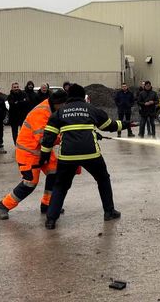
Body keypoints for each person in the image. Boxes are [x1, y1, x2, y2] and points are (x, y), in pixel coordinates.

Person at [40, 84, 132, 229]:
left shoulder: (59, 113)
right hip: (91, 154)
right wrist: (126, 124)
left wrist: (44, 155)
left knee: (60, 186)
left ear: (68, 97)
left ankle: (51, 219)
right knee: (103, 179)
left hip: (67, 156)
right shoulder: (91, 109)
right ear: (83, 96)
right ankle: (109, 212)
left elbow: (48, 137)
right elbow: (110, 126)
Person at [0, 90, 68, 220]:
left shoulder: (53, 110)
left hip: (43, 150)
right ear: (57, 103)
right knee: (30, 183)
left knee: (54, 173)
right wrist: (64, 137)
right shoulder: (42, 112)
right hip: (28, 152)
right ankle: (4, 205)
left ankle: (47, 204)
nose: (65, 108)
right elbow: (43, 138)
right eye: (64, 104)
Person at [6, 82, 27, 146]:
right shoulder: (9, 96)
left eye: (17, 87)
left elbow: (26, 102)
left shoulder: (23, 94)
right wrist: (22, 102)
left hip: (22, 116)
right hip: (13, 117)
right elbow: (12, 104)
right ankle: (16, 144)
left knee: (23, 131)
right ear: (12, 88)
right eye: (14, 87)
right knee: (14, 132)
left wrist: (17, 102)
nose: (16, 88)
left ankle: (23, 143)